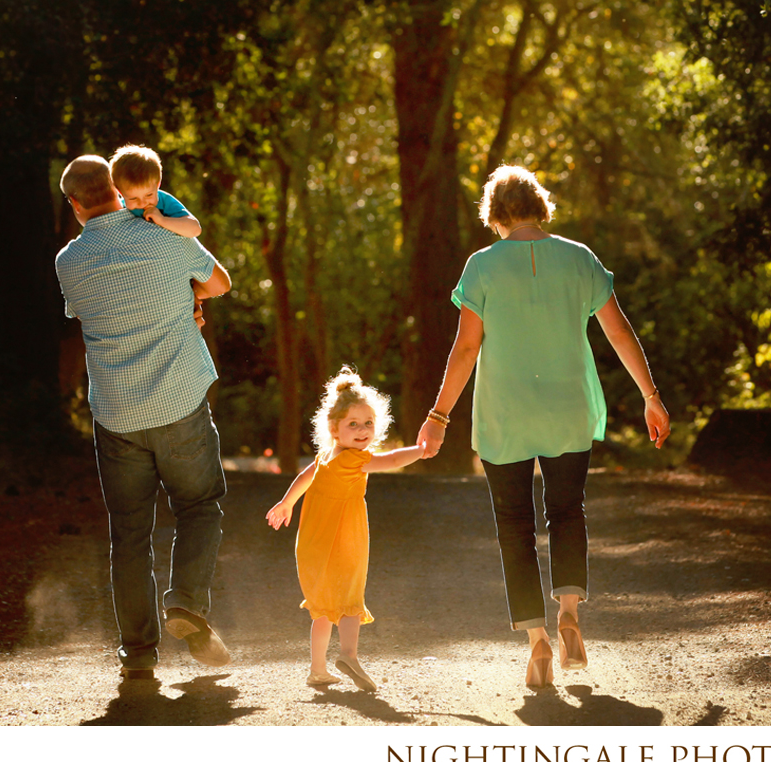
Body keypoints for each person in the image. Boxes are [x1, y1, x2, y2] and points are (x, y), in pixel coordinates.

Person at [417, 164, 670, 689]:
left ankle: (537, 646)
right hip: (567, 409)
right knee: (566, 509)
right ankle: (570, 610)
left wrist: (438, 415)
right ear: (540, 207)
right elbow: (618, 331)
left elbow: (466, 348)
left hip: (504, 414)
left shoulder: (481, 267)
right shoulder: (580, 258)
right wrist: (651, 396)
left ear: (495, 215)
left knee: (514, 524)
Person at [55, 154, 232, 681]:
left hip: (116, 412)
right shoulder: (165, 235)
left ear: (74, 205)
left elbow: (91, 312)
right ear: (117, 187)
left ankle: (138, 654)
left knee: (129, 532)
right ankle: (186, 604)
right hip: (178, 400)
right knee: (199, 505)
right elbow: (219, 282)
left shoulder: (69, 261)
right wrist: (187, 297)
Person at [266, 367, 427, 691]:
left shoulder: (327, 455)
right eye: (353, 424)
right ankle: (349, 655)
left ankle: (317, 669)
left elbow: (303, 478)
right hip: (344, 539)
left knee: (323, 606)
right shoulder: (355, 459)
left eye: (368, 423)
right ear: (333, 428)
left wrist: (287, 503)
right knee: (350, 597)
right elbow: (393, 459)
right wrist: (421, 450)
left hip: (313, 541)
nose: (363, 430)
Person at [109, 144, 202, 239]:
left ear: (158, 185)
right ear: (120, 192)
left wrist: (162, 220)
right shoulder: (119, 208)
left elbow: (195, 229)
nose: (142, 203)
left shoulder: (165, 202)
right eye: (133, 198)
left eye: (149, 195)